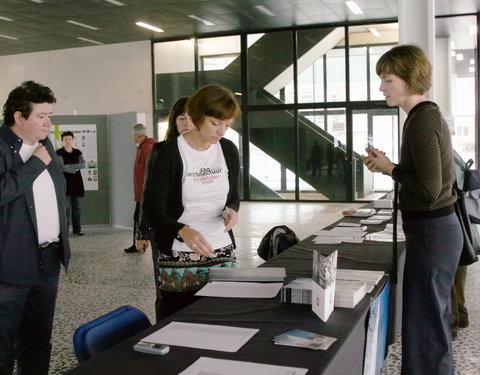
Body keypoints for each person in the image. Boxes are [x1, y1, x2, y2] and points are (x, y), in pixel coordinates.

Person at [362, 45, 462, 375]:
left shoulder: (420, 122)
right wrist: (391, 166)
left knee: (424, 320)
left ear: (408, 79)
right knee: (429, 317)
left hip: (433, 232)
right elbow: (427, 177)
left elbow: (431, 190)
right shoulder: (424, 116)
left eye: (387, 79)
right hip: (437, 231)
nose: (382, 87)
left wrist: (392, 169)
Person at [140, 84, 241, 316]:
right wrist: (183, 231)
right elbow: (152, 211)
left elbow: (233, 195)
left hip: (220, 249)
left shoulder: (227, 149)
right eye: (216, 123)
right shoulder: (167, 153)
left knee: (223, 317)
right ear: (196, 117)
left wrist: (233, 209)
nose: (221, 131)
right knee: (180, 319)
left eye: (227, 125)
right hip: (179, 253)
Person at [0, 81, 71, 375]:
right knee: (3, 346)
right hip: (10, 265)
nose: (48, 122)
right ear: (19, 116)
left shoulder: (46, 145)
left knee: (39, 341)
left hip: (48, 261)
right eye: (41, 116)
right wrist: (33, 164)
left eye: (50, 115)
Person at [135, 97, 193, 321]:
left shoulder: (207, 152)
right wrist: (141, 231)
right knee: (165, 288)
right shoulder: (161, 150)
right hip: (165, 228)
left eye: (191, 118)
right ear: (174, 122)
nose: (187, 123)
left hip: (195, 228)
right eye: (181, 118)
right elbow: (146, 192)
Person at [124, 123, 157, 253]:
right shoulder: (142, 147)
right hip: (141, 192)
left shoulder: (148, 147)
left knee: (139, 218)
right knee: (137, 218)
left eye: (133, 134)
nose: (132, 136)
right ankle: (139, 244)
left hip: (145, 193)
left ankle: (139, 244)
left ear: (137, 135)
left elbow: (149, 172)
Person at [56, 131, 86, 235]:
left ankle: (77, 229)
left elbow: (83, 165)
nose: (68, 141)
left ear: (73, 140)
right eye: (65, 139)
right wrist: (74, 168)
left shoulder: (77, 152)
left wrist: (69, 167)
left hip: (77, 183)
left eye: (69, 139)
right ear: (62, 141)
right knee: (66, 208)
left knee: (77, 208)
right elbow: (60, 167)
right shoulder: (59, 152)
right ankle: (64, 230)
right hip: (65, 183)